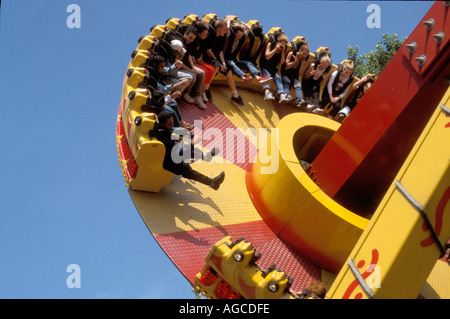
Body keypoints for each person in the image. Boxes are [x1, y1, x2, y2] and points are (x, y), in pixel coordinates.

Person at [156, 111, 225, 190]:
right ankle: (212, 182)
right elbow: (181, 153)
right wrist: (192, 142)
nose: (173, 125)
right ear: (162, 124)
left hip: (171, 154)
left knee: (191, 150)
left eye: (172, 122)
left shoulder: (162, 131)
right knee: (186, 169)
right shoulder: (166, 141)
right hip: (170, 162)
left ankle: (206, 157)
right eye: (170, 124)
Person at [222, 19, 273, 105]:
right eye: (238, 36)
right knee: (232, 64)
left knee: (247, 63)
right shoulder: (230, 36)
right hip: (226, 60)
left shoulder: (241, 39)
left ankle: (258, 78)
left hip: (233, 60)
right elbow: (227, 28)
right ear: (234, 33)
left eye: (241, 36)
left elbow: (249, 28)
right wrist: (229, 19)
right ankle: (244, 78)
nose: (239, 37)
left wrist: (240, 22)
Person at [259, 31, 289, 102]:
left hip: (272, 68)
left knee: (278, 78)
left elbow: (282, 62)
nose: (282, 46)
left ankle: (281, 94)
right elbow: (267, 57)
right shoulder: (270, 44)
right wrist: (275, 49)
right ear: (278, 42)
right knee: (267, 76)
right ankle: (266, 92)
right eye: (282, 44)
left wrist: (282, 52)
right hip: (264, 65)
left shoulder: (283, 50)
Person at [280, 39, 310, 106]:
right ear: (299, 50)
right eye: (303, 54)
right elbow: (286, 67)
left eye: (306, 55)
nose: (304, 56)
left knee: (298, 85)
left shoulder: (303, 59)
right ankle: (286, 95)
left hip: (294, 76)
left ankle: (299, 100)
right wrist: (295, 61)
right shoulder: (291, 54)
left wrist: (302, 64)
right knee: (287, 81)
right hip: (286, 73)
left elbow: (299, 74)